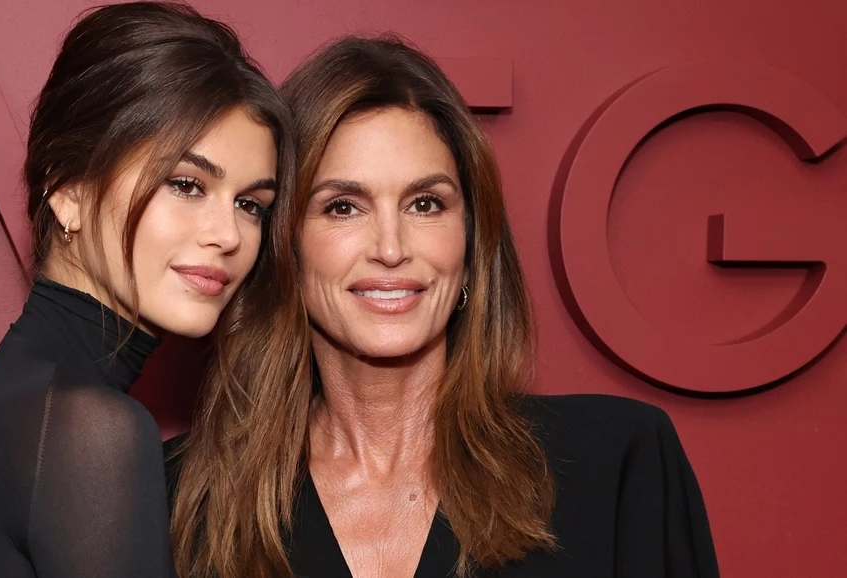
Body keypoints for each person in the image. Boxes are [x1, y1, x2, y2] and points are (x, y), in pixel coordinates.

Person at [167, 36, 719, 577]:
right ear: (285, 245)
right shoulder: (184, 499)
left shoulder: (616, 463)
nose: (391, 248)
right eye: (343, 207)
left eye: (425, 204)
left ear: (471, 244)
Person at [0, 3, 292, 576]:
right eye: (186, 184)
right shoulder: (89, 428)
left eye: (250, 204)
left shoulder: (22, 396)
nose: (229, 235)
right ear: (68, 189)